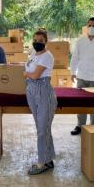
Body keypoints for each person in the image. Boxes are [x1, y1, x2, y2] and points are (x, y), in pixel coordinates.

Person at [24, 29, 57, 175]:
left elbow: (36, 75)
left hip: (43, 91)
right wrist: (27, 74)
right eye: (35, 40)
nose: (37, 43)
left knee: (42, 130)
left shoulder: (47, 56)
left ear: (46, 42)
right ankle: (48, 159)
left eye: (40, 41)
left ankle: (41, 162)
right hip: (31, 90)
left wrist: (25, 74)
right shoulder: (33, 54)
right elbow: (29, 70)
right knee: (42, 128)